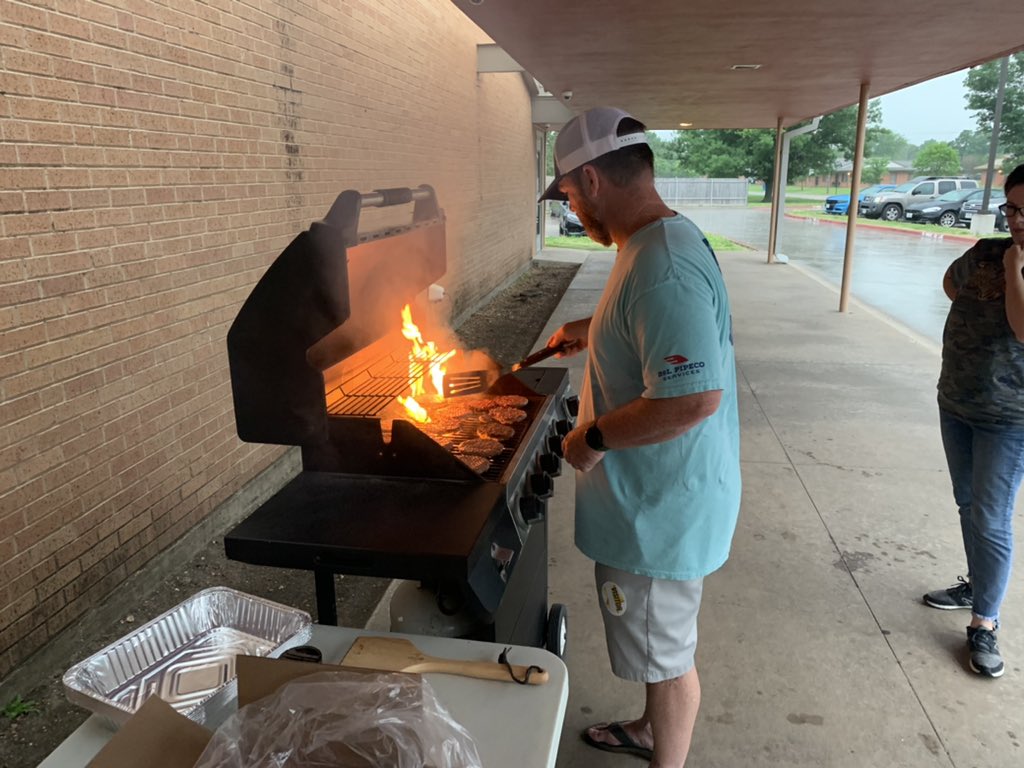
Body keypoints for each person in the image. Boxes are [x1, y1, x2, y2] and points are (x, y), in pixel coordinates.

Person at [539, 107, 741, 767]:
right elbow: (648, 326)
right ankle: (650, 732)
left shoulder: (663, 265)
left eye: (567, 193)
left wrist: (591, 439)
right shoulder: (656, 243)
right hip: (660, 500)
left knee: (669, 656)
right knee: (662, 645)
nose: (571, 207)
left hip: (659, 509)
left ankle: (667, 757)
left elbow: (691, 398)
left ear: (591, 179)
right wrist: (590, 329)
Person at [923, 163, 1024, 678]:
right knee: (969, 505)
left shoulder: (1011, 259)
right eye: (1012, 208)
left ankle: (985, 623)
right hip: (957, 402)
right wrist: (993, 267)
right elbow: (950, 283)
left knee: (990, 517)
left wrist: (1014, 269)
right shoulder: (987, 250)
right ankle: (977, 585)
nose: (1017, 219)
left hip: (1009, 419)